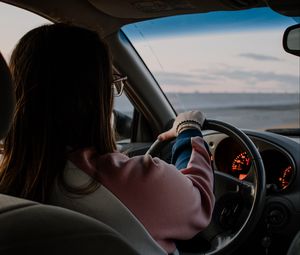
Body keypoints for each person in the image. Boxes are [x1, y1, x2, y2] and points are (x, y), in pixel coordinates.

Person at [0, 23, 214, 254]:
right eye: (112, 84)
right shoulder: (134, 180)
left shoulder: (8, 187)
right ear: (95, 97)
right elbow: (199, 201)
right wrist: (189, 130)